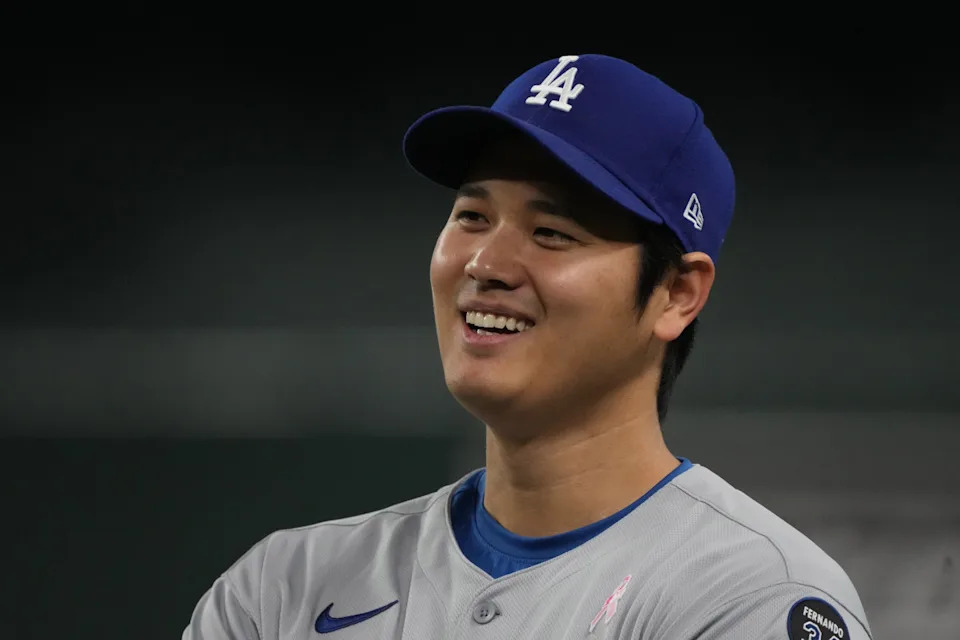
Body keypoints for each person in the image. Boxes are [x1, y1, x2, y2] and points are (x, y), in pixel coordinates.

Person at [182, 53, 873, 639]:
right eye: (472, 216)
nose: (486, 263)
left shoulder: (749, 597)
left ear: (676, 294)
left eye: (552, 233)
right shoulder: (282, 590)